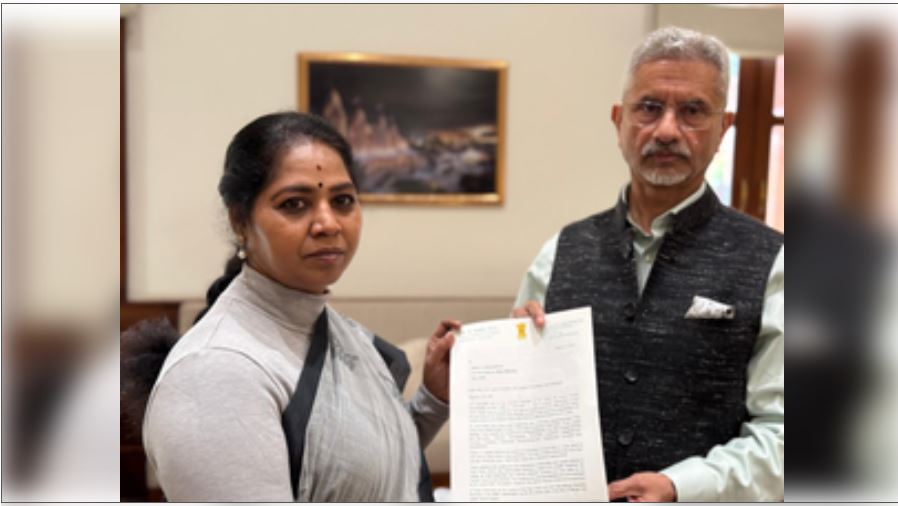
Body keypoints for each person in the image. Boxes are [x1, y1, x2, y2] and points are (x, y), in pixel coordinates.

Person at [513, 27, 783, 501]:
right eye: (649, 108)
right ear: (619, 121)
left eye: (693, 111)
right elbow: (521, 408)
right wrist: (514, 357)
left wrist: (682, 487)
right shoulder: (559, 252)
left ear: (724, 128)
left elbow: (784, 435)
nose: (667, 131)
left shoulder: (775, 263)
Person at [141, 112, 459, 501]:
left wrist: (434, 398)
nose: (328, 223)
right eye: (295, 204)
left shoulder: (335, 331)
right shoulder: (214, 373)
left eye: (342, 200)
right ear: (240, 221)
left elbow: (363, 470)